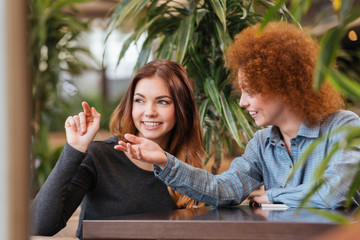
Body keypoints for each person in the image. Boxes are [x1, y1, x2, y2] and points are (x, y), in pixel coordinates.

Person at [115, 22, 360, 209]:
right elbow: (222, 189)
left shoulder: (344, 127)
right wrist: (165, 161)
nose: (243, 102)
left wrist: (272, 196)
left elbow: (337, 191)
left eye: (250, 91)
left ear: (284, 87)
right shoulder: (262, 144)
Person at [31, 59, 204, 238]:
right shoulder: (100, 156)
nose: (149, 111)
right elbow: (39, 226)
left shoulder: (185, 167)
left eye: (162, 102)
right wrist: (74, 149)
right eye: (139, 100)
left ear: (182, 108)